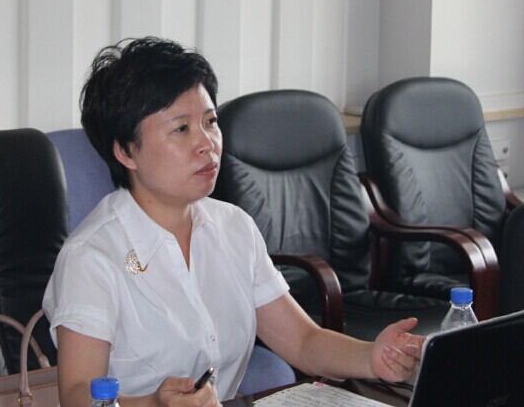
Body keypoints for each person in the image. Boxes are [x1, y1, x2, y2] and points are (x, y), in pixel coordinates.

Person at [43, 37, 425, 407]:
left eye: (210, 121)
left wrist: (374, 357)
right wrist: (152, 405)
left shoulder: (233, 227)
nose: (207, 143)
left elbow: (303, 342)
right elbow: (77, 395)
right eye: (181, 128)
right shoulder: (92, 257)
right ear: (126, 151)